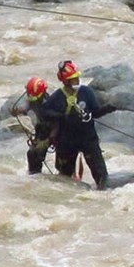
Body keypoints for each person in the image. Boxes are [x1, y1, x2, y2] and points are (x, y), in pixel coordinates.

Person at [42, 60, 116, 190]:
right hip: (66, 142)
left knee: (101, 175)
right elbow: (45, 112)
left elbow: (96, 112)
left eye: (77, 78)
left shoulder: (86, 92)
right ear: (65, 81)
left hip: (88, 139)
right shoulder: (57, 97)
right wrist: (60, 116)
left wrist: (109, 108)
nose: (77, 81)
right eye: (73, 79)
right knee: (64, 179)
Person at [11, 77, 59, 175]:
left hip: (56, 130)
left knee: (63, 159)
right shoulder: (33, 100)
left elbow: (57, 123)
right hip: (42, 129)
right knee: (32, 153)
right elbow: (24, 108)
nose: (33, 101)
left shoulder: (50, 104)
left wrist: (48, 140)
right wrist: (16, 111)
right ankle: (35, 175)